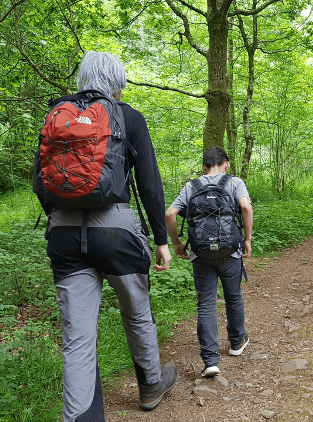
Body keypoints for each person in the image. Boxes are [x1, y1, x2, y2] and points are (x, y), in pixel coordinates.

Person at [34, 51, 177, 421]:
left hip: (65, 234)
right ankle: (150, 386)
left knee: (77, 340)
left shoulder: (58, 116)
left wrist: (58, 218)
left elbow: (39, 180)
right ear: (118, 80)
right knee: (137, 313)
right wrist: (161, 240)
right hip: (118, 232)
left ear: (83, 77)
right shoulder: (128, 117)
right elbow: (149, 183)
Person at [165, 147, 253, 378]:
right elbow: (245, 207)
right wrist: (247, 239)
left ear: (203, 167)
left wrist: (176, 244)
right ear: (226, 164)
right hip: (230, 251)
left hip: (200, 253)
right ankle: (236, 343)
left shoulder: (191, 186)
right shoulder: (234, 182)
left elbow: (170, 214)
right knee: (233, 296)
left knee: (206, 303)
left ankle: (211, 360)